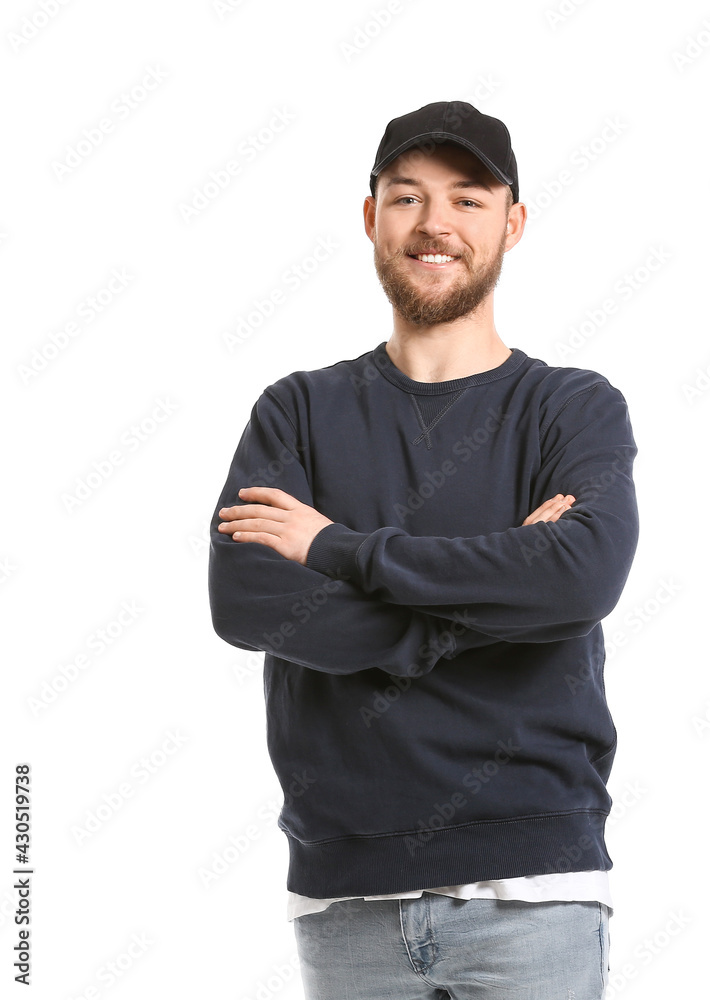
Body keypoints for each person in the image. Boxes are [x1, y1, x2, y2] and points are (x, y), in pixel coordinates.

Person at [208, 101, 639, 999]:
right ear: (371, 217)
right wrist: (488, 603)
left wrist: (335, 548)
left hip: (535, 891)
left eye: (468, 200)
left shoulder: (572, 407)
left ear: (511, 225)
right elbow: (248, 601)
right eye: (407, 197)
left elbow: (579, 576)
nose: (435, 224)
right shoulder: (296, 412)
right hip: (345, 893)